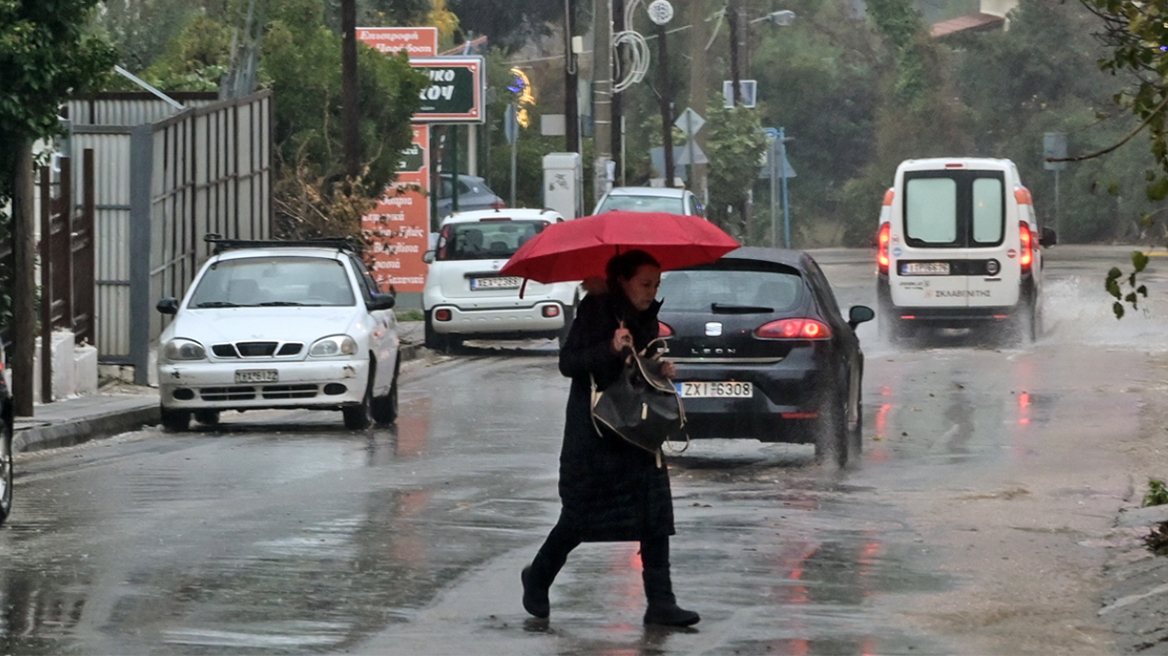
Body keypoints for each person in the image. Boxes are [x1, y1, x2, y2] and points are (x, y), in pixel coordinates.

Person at [521, 249, 700, 627]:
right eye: (645, 284)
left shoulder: (644, 316)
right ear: (623, 280)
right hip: (597, 434)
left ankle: (661, 602)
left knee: (654, 516)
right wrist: (609, 347)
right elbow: (569, 363)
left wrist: (659, 366)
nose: (652, 291)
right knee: (580, 518)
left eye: (656, 284)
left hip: (637, 431)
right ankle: (537, 578)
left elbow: (640, 367)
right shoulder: (597, 309)